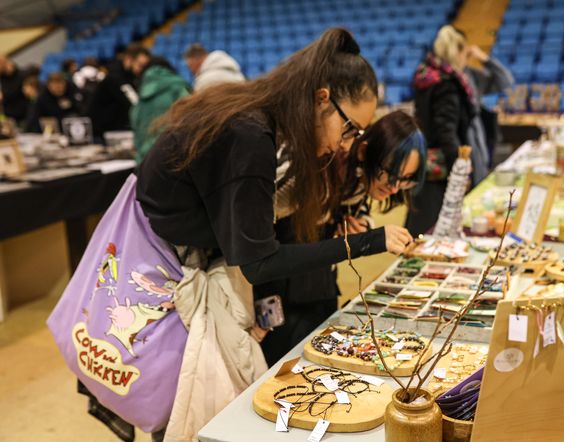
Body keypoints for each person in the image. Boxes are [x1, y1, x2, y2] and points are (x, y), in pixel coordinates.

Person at [48, 28, 412, 441]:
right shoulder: (251, 135)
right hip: (162, 273)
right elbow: (258, 261)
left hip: (171, 262)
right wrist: (364, 243)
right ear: (322, 98)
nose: (347, 143)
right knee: (186, 401)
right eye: (351, 129)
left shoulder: (253, 115)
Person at [257, 110, 427, 365]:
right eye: (390, 175)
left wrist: (353, 224)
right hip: (283, 297)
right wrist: (263, 314)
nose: (394, 187)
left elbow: (355, 212)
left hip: (320, 288)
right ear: (364, 152)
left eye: (405, 181)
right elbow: (271, 245)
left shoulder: (359, 177)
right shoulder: (323, 171)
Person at [406, 25, 513, 235]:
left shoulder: (426, 76)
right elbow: (447, 131)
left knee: (422, 224)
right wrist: (460, 167)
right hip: (442, 168)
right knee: (435, 225)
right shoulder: (447, 84)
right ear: (457, 52)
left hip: (428, 161)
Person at [130, 57, 189, 163]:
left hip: (144, 160)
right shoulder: (178, 86)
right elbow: (190, 119)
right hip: (172, 157)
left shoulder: (141, 92)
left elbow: (135, 123)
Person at [87, 44, 150, 138]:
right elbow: (134, 102)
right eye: (140, 65)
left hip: (115, 129)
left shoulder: (131, 76)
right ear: (129, 59)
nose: (142, 70)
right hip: (101, 133)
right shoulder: (115, 76)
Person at [0, 56, 29, 126]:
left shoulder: (21, 75)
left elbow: (12, 92)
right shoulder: (2, 76)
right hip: (8, 115)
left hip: (22, 115)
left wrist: (3, 95)